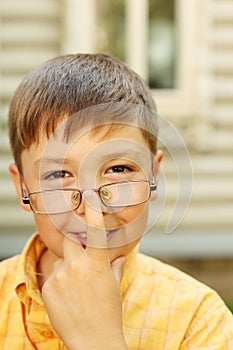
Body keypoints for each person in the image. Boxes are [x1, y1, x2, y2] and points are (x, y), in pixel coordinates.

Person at [0, 53, 232, 350]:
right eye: (59, 174)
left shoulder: (199, 322)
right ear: (22, 186)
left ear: (154, 175)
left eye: (118, 169)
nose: (92, 208)